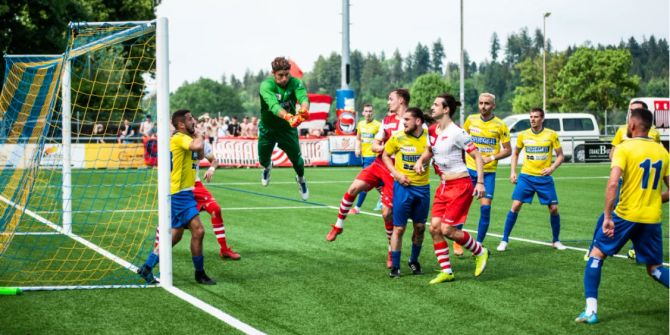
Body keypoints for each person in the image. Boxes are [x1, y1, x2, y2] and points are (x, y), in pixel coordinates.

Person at [575, 108, 669, 324]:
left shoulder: (625, 148)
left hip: (625, 215)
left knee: (596, 255)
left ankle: (590, 311)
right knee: (655, 270)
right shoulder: (662, 152)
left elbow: (613, 182)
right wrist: (654, 200)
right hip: (652, 218)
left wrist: (607, 216)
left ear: (633, 125)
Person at [326, 88, 410, 269]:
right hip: (379, 164)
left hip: (395, 170)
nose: (388, 102)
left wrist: (387, 147)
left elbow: (411, 146)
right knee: (352, 189)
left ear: (401, 100)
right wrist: (386, 147)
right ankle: (338, 225)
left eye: (391, 99)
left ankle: (390, 250)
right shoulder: (386, 121)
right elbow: (375, 145)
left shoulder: (411, 121)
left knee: (387, 214)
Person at [415, 94, 490, 284]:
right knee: (434, 228)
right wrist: (421, 161)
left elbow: (477, 156)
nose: (432, 108)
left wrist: (480, 182)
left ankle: (480, 251)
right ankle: (447, 271)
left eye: (436, 105)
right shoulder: (432, 130)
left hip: (461, 186)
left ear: (446, 109)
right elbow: (428, 150)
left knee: (447, 229)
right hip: (444, 186)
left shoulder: (458, 133)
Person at [137, 109, 216, 285]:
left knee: (175, 236)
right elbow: (197, 146)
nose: (193, 120)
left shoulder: (185, 138)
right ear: (181, 124)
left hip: (181, 192)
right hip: (180, 193)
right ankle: (200, 274)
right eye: (189, 119)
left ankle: (147, 267)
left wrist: (197, 135)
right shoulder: (180, 138)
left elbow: (200, 154)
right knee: (199, 230)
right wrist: (199, 134)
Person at [584, 100, 663, 261]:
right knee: (610, 211)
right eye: (630, 111)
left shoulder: (653, 134)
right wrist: (620, 165)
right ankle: (593, 245)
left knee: (639, 216)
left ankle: (636, 249)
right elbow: (613, 153)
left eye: (635, 111)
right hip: (626, 181)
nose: (631, 114)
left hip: (644, 183)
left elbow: (657, 152)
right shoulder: (622, 131)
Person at [497, 107, 566, 252]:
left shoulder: (551, 135)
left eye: (535, 117)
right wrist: (512, 172)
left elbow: (560, 155)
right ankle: (504, 240)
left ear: (542, 119)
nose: (532, 119)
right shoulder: (523, 135)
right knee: (515, 206)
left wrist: (551, 168)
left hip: (544, 178)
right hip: (526, 177)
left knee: (554, 209)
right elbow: (515, 153)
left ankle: (556, 240)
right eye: (531, 117)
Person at [460, 93, 511, 255]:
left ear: (493, 106)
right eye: (481, 103)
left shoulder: (500, 125)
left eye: (487, 104)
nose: (483, 106)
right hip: (469, 170)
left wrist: (491, 157)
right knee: (461, 206)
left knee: (485, 208)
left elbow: (508, 150)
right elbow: (460, 141)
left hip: (488, 173)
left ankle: (479, 244)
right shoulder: (470, 120)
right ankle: (457, 240)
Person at [382, 107, 430, 278]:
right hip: (403, 188)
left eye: (407, 120)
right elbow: (385, 155)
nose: (404, 123)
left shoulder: (429, 138)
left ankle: (413, 260)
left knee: (420, 227)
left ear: (418, 121)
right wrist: (397, 174)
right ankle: (395, 266)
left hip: (423, 188)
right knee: (399, 228)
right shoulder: (398, 137)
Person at [258, 56, 310, 200]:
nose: (284, 78)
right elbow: (273, 106)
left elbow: (303, 97)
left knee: (297, 161)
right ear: (273, 73)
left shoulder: (295, 82)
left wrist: (304, 109)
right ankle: (267, 167)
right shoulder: (266, 85)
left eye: (287, 74)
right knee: (262, 160)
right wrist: (289, 117)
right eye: (280, 75)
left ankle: (301, 179)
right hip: (267, 128)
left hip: (287, 129)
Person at [195, 141, 240, 260]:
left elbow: (214, 161)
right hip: (178, 187)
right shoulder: (176, 140)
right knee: (171, 223)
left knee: (215, 209)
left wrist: (211, 169)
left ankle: (224, 249)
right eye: (191, 120)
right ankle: (156, 252)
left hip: (196, 184)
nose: (194, 123)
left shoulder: (200, 143)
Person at [350, 104, 382, 215]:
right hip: (365, 157)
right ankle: (385, 197)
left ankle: (357, 207)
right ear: (363, 113)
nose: (368, 113)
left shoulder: (378, 125)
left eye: (370, 111)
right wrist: (357, 148)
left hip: (374, 157)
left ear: (372, 113)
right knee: (378, 181)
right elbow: (358, 138)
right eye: (366, 111)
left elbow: (383, 139)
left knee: (364, 182)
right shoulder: (360, 124)